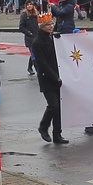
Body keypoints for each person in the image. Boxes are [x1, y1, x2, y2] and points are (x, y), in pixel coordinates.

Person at [31, 13, 69, 144]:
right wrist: (54, 77)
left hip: (58, 77)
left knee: (60, 108)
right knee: (53, 106)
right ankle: (43, 126)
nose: (51, 26)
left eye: (52, 24)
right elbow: (42, 64)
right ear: (42, 26)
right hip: (47, 79)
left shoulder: (53, 38)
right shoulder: (37, 42)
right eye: (48, 25)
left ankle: (57, 134)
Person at [19, 0, 39, 75]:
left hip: (36, 36)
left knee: (36, 53)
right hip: (29, 38)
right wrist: (28, 33)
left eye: (31, 4)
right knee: (34, 55)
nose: (29, 6)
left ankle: (29, 67)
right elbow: (21, 27)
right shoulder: (24, 15)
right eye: (28, 4)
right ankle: (38, 71)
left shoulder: (35, 14)